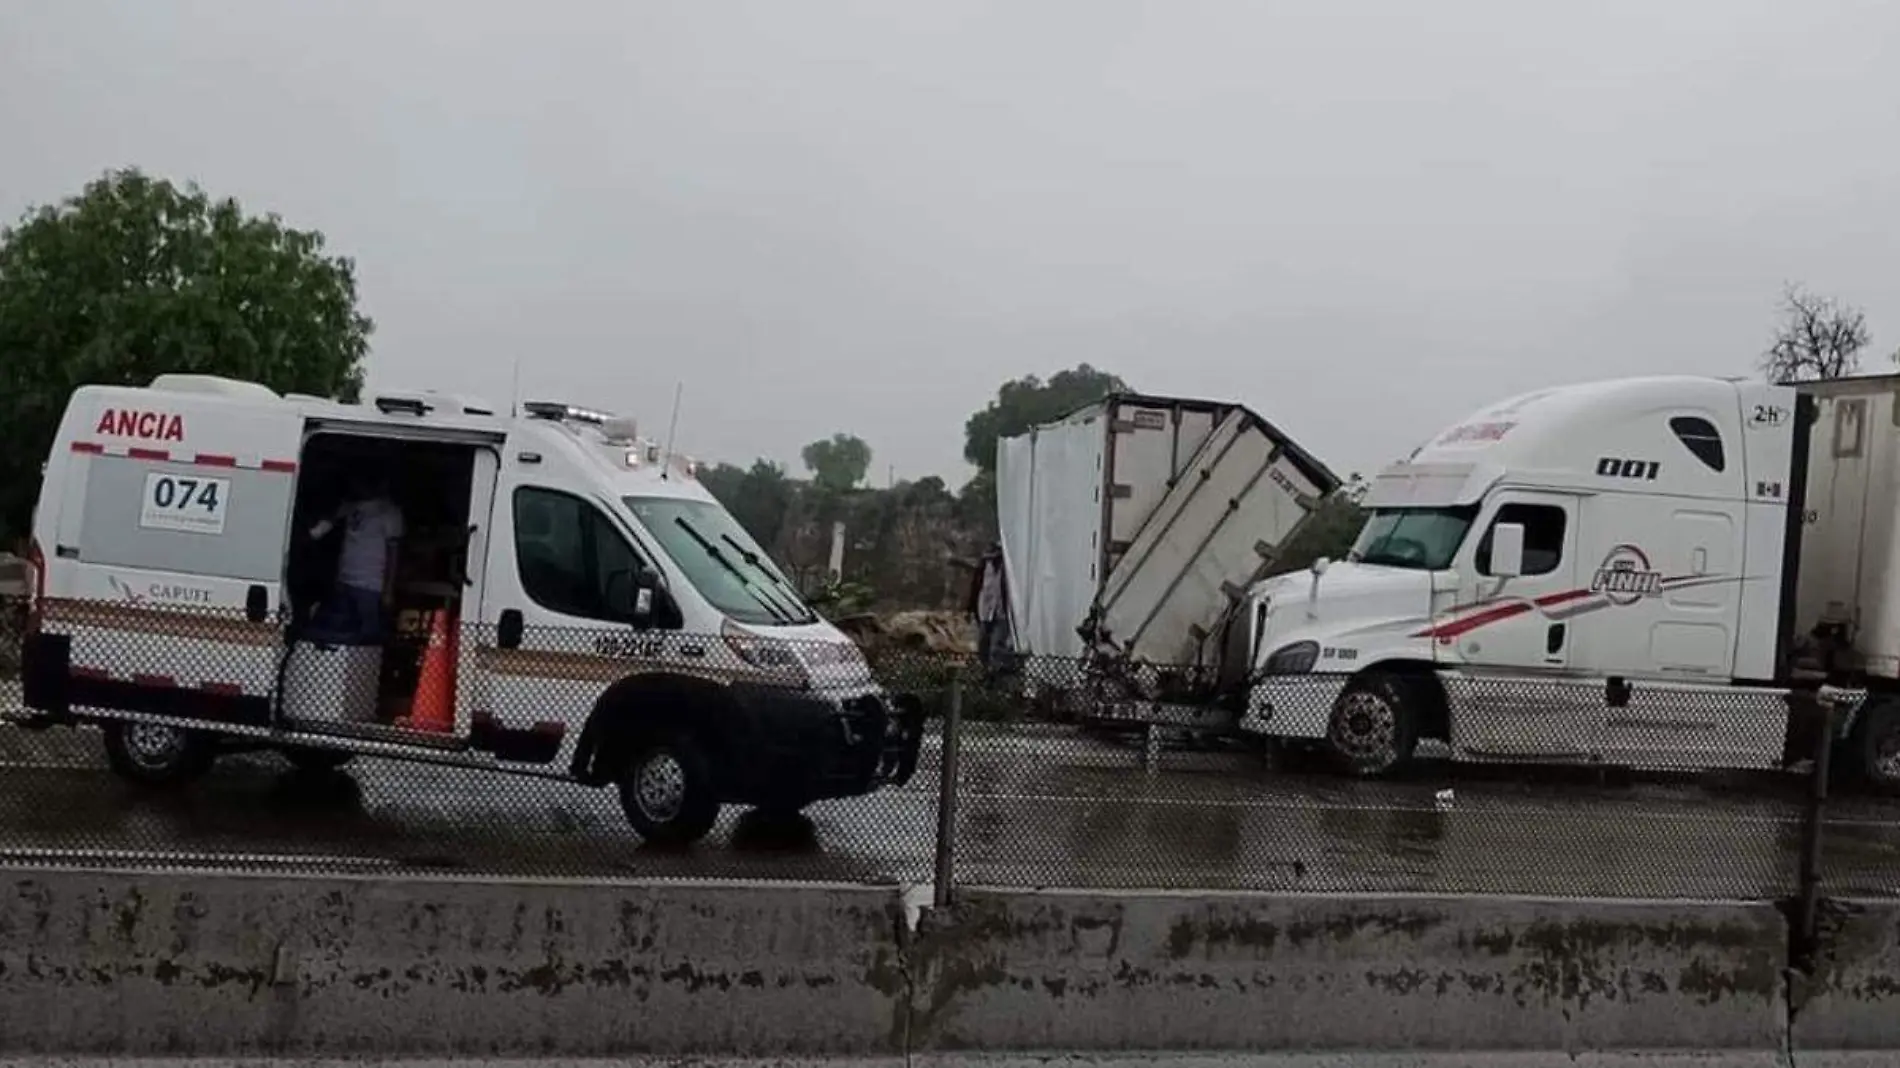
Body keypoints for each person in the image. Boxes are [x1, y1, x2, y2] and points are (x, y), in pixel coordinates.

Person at [306, 469, 404, 645]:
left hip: (371, 585)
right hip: (344, 580)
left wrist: (388, 590)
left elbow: (393, 552)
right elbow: (322, 528)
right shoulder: (350, 506)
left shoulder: (389, 512)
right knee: (340, 634)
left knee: (367, 637)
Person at [966, 542, 1010, 673]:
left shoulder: (1007, 569)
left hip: (1002, 612)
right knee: (983, 644)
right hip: (985, 611)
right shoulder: (984, 567)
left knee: (997, 646)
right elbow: (976, 588)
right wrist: (969, 608)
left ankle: (995, 674)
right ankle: (986, 671)